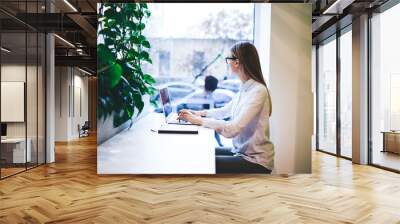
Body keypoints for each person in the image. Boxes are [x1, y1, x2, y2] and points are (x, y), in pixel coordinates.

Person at [178, 42, 274, 174]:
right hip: (240, 152)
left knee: (200, 162)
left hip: (255, 161)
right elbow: (225, 111)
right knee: (200, 153)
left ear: (236, 62)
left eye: (228, 59)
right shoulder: (245, 88)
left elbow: (232, 129)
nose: (227, 63)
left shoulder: (258, 91)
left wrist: (198, 120)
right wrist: (198, 114)